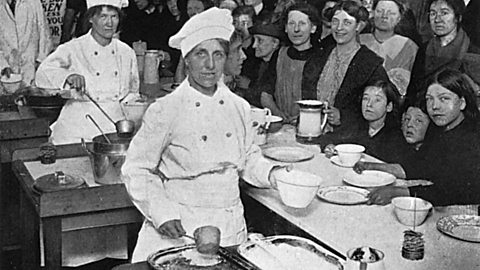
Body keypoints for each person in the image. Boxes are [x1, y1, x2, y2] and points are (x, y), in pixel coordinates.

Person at [121, 7, 284, 262]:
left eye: (218, 55)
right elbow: (137, 169)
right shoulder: (166, 109)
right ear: (186, 59)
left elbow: (249, 158)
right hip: (180, 226)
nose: (210, 65)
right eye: (201, 54)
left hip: (229, 227)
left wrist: (274, 174)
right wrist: (162, 213)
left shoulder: (239, 107)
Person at [364, 68, 480, 206]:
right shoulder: (439, 129)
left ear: (462, 103)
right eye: (429, 99)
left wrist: (399, 192)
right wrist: (372, 166)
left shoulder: (473, 137)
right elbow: (420, 166)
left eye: (444, 98)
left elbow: (454, 191)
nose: (435, 106)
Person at [35, 0, 139, 145]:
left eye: (114, 16)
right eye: (103, 16)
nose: (109, 23)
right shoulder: (74, 47)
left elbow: (133, 92)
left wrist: (135, 107)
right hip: (78, 128)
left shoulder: (126, 52)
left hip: (113, 128)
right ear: (91, 18)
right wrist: (68, 76)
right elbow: (42, 73)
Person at [302, 0, 391, 138]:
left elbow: (380, 110)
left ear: (359, 26)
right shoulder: (319, 57)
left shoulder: (370, 64)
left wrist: (343, 117)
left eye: (347, 23)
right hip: (313, 133)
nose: (339, 28)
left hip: (350, 139)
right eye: (335, 21)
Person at [407, 0, 480, 103]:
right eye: (433, 13)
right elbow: (413, 90)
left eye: (444, 13)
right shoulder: (424, 49)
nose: (437, 19)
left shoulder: (472, 52)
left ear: (458, 18)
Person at [260, 3, 320, 122]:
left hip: (310, 123)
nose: (296, 29)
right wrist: (279, 115)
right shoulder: (279, 55)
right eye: (291, 23)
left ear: (313, 28)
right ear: (286, 28)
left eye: (302, 24)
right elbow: (265, 95)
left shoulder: (321, 57)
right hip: (281, 123)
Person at [323, 80, 407, 163]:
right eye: (366, 98)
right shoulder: (356, 126)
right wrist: (330, 146)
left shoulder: (395, 137)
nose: (369, 104)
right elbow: (328, 139)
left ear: (389, 107)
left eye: (377, 100)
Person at [354, 95, 431, 175]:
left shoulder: (433, 154)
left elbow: (406, 170)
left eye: (418, 121)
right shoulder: (397, 144)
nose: (409, 124)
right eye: (407, 119)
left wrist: (368, 166)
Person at [359, 0, 418, 96]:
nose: (384, 16)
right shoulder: (359, 41)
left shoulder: (410, 47)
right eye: (379, 11)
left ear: (399, 18)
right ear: (373, 13)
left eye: (391, 13)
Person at [0, 0, 52, 86]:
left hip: (32, 68)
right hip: (8, 75)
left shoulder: (34, 2)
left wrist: (40, 61)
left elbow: (45, 35)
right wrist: (3, 66)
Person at [174, 0, 214, 82]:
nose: (193, 12)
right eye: (190, 8)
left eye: (197, 8)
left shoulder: (213, 33)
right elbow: (179, 77)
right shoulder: (187, 32)